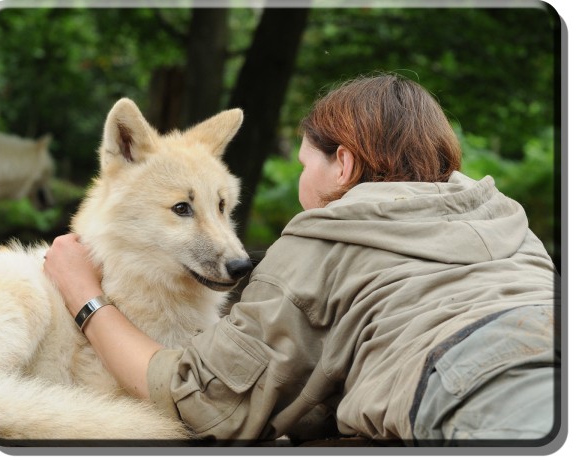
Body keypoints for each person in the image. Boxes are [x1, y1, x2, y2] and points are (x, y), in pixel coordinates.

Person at [44, 73, 559, 445]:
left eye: (304, 164)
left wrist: (84, 297)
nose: (298, 184)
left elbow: (204, 401)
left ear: (343, 165)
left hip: (478, 400)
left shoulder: (328, 235)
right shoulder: (507, 218)